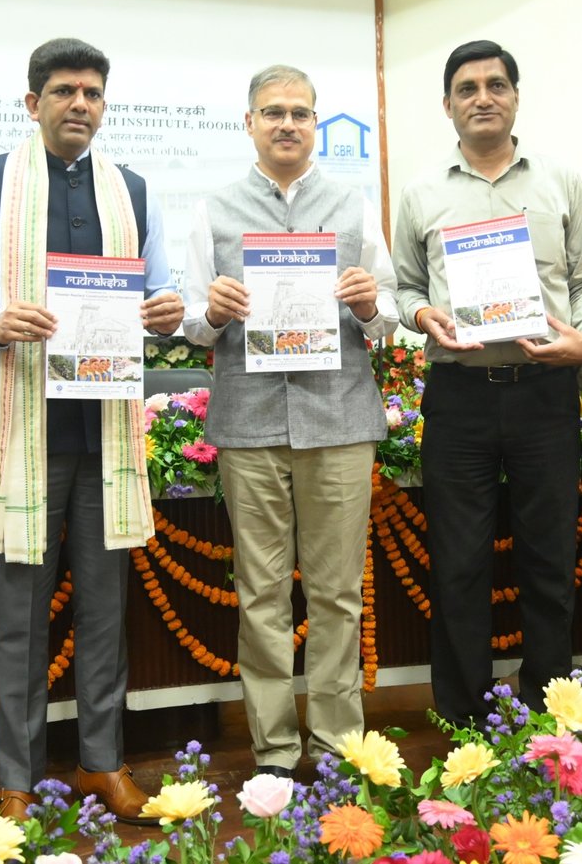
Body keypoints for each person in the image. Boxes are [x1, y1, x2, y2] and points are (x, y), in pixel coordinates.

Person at [0, 38, 183, 822]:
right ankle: (17, 777)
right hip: (20, 428)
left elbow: (163, 294)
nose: (80, 104)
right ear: (33, 103)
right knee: (19, 617)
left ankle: (103, 763)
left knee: (105, 611)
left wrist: (168, 310)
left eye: (93, 93)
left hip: (107, 429)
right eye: (65, 91)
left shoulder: (134, 190)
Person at [182, 64, 397, 775]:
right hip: (250, 425)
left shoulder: (353, 206)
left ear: (315, 124)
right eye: (272, 112)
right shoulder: (213, 209)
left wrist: (370, 303)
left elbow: (391, 314)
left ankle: (335, 747)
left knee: (337, 594)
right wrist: (211, 311)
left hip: (338, 420)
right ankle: (274, 752)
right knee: (262, 595)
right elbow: (189, 318)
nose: (287, 124)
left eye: (300, 113)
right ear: (249, 123)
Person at [392, 40, 582, 723]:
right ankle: (464, 719)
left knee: (549, 560)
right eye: (467, 88)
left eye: (495, 85)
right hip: (459, 395)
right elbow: (405, 288)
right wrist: (422, 314)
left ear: (516, 96)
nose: (482, 98)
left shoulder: (560, 181)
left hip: (545, 391)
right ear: (448, 105)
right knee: (458, 564)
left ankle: (550, 716)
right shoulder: (422, 193)